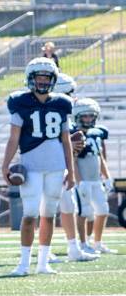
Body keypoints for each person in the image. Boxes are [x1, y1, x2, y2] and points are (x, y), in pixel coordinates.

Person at [0, 58, 75, 276]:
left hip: (55, 166)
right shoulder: (19, 102)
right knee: (30, 214)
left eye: (46, 78)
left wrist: (71, 170)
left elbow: (66, 140)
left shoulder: (62, 103)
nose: (42, 82)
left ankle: (43, 263)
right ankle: (23, 263)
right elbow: (13, 139)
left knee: (48, 215)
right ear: (31, 79)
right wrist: (5, 164)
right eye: (39, 77)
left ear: (53, 80)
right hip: (31, 165)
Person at [51, 75, 94, 263]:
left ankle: (73, 248)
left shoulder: (64, 116)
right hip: (46, 165)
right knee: (46, 209)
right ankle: (46, 249)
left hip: (61, 166)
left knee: (69, 207)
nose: (73, 97)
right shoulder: (46, 113)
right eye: (69, 93)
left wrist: (72, 147)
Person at [73, 99, 115, 255]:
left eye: (91, 116)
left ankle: (96, 242)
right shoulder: (74, 134)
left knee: (103, 210)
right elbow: (73, 160)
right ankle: (83, 243)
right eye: (85, 116)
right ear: (77, 117)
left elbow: (100, 157)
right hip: (83, 180)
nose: (89, 119)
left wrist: (107, 176)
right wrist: (79, 181)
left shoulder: (97, 133)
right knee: (84, 213)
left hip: (96, 180)